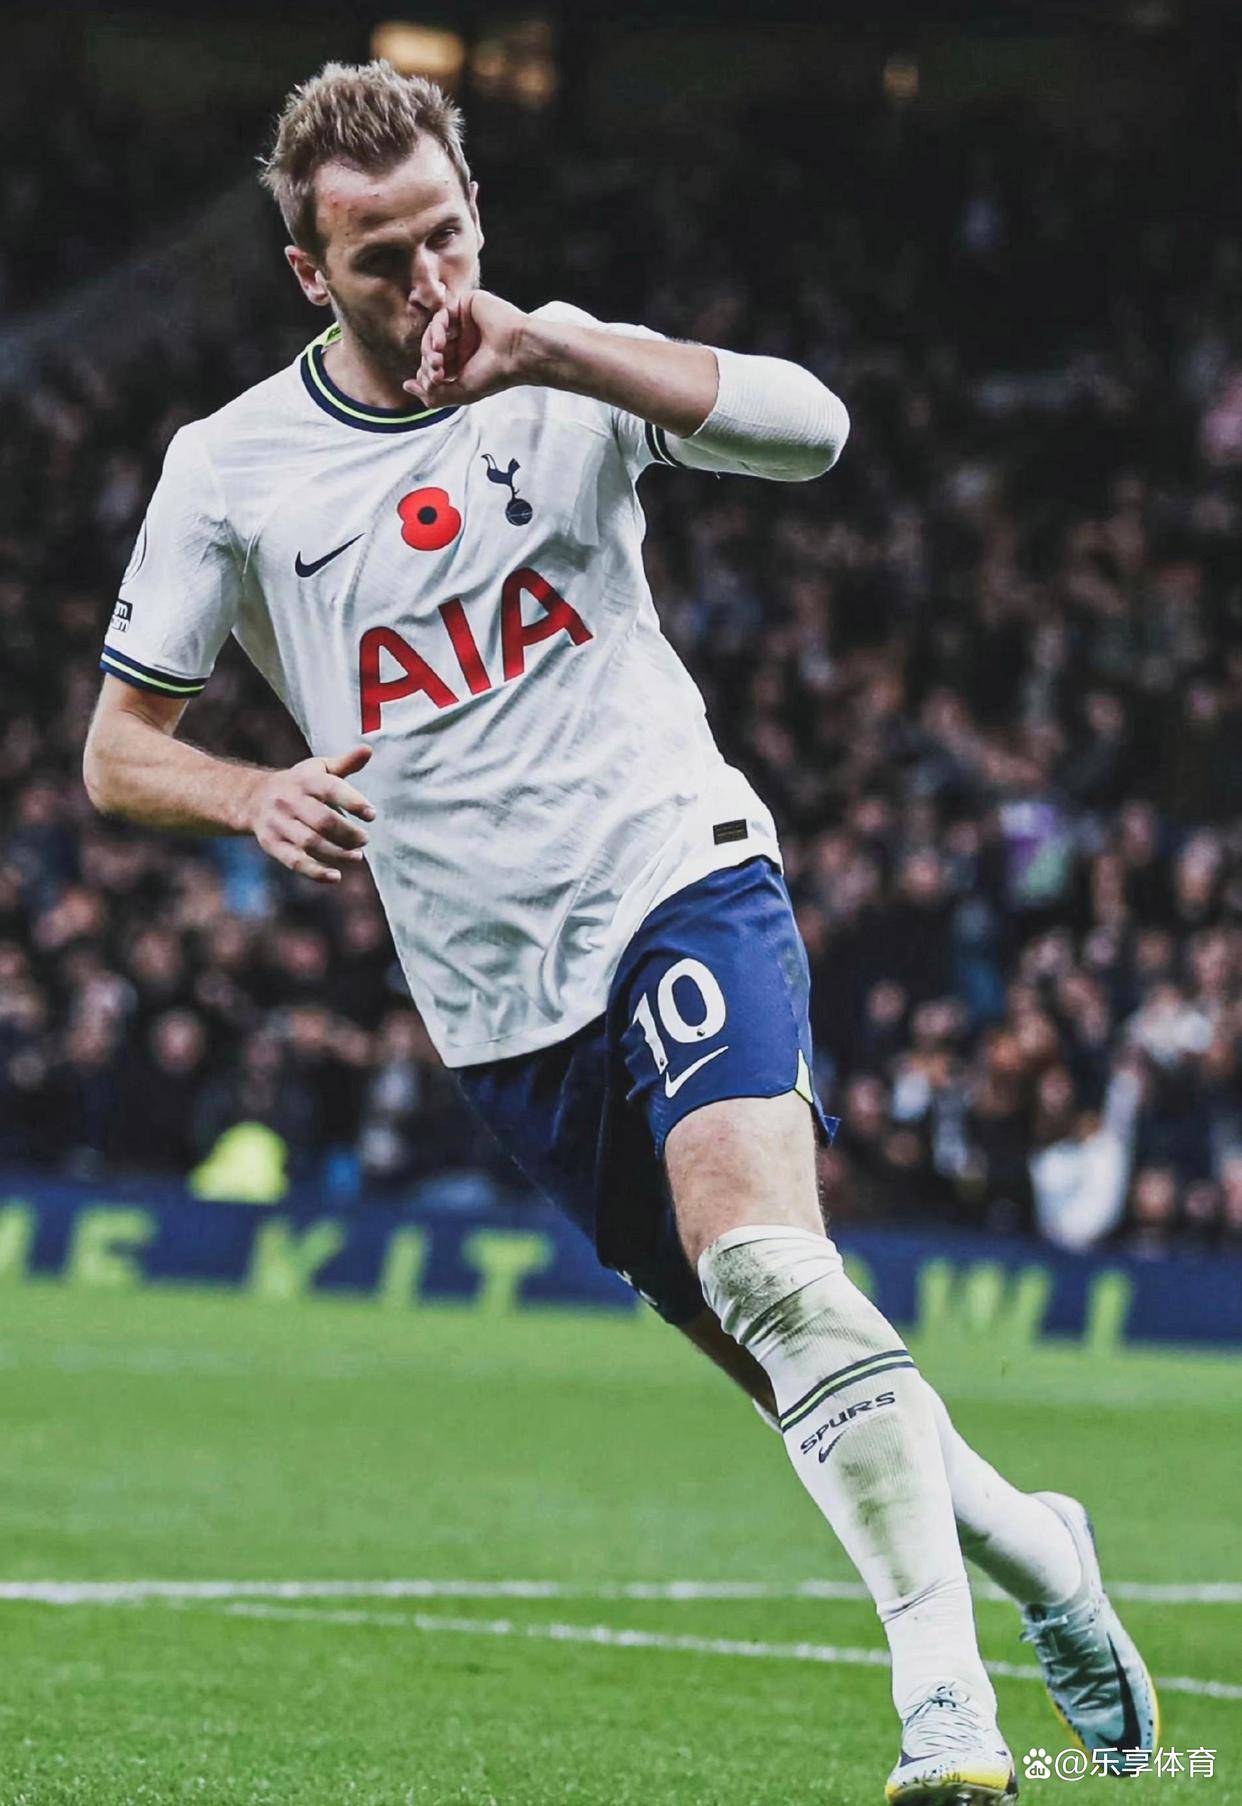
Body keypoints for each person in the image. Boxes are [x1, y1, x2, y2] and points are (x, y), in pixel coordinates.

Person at [82, 60, 1157, 1802]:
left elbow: (813, 430)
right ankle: (1044, 1550)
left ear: (476, 212)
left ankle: (942, 1702)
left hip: (676, 868)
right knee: (783, 1345)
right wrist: (251, 791)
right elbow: (119, 750)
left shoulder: (564, 367)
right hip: (497, 999)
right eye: (379, 261)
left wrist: (557, 355)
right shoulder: (229, 469)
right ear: (307, 274)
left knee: (764, 1258)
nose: (427, 282)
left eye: (445, 236)